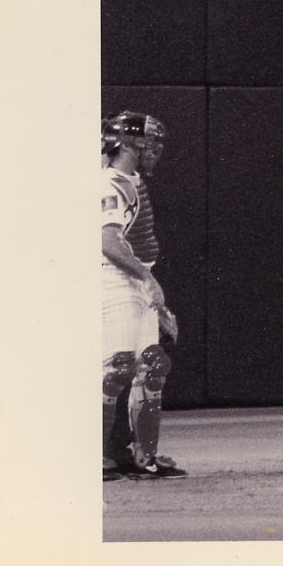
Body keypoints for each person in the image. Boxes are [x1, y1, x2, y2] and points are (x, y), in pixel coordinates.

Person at [101, 111, 185, 479]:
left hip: (137, 279)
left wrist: (152, 292)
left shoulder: (132, 179)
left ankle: (144, 456)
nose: (155, 150)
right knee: (117, 367)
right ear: (131, 144)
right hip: (113, 279)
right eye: (150, 142)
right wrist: (149, 282)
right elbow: (108, 242)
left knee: (153, 364)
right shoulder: (106, 182)